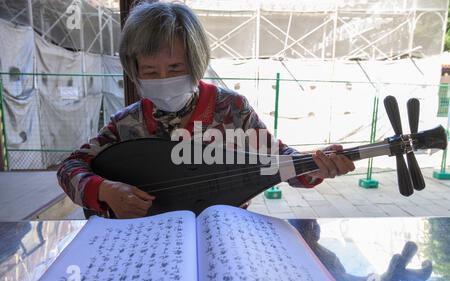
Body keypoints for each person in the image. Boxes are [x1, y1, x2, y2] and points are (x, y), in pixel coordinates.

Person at [57, 1, 355, 219]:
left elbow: (277, 161)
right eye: (149, 71)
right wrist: (106, 191)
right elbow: (70, 167)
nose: (163, 79)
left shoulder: (233, 109)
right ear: (133, 71)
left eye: (175, 68)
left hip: (225, 231)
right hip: (149, 237)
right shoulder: (127, 124)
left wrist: (315, 166)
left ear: (196, 62)